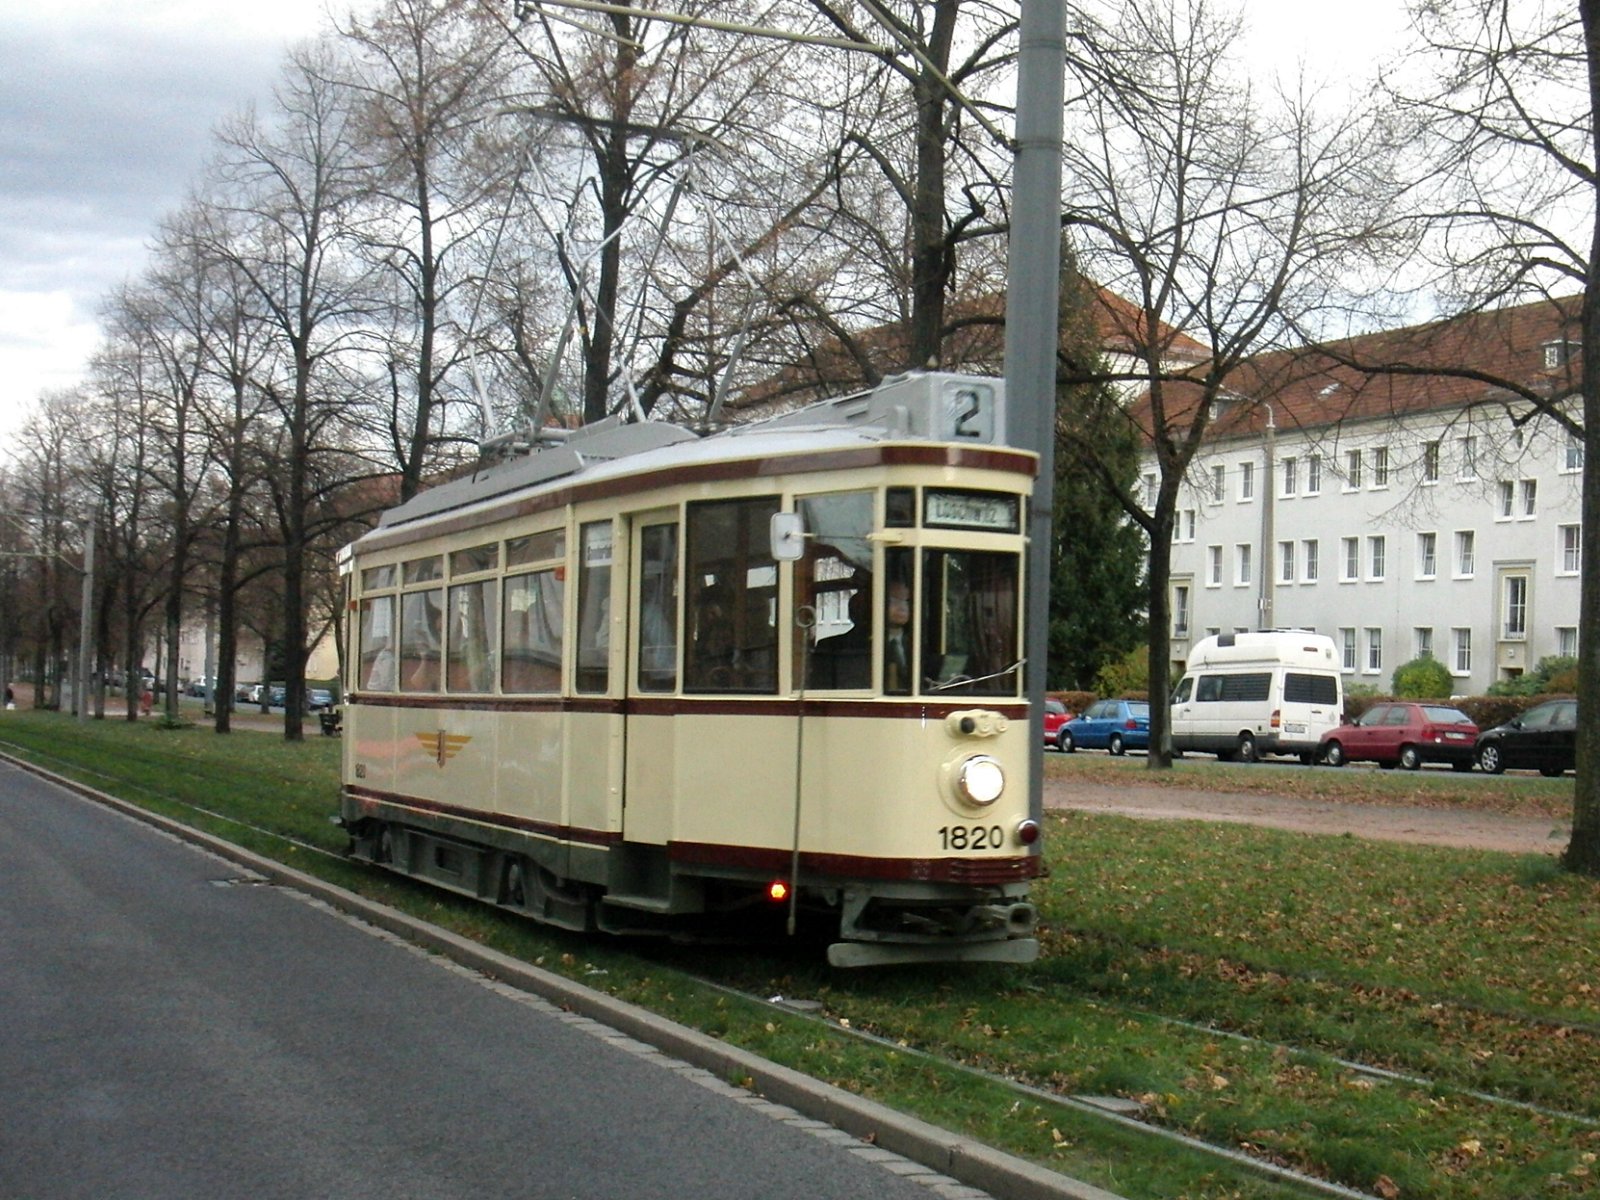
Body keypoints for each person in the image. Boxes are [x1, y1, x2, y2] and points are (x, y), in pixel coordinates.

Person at [883, 580, 911, 694]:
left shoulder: (920, 645)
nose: (902, 607)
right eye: (894, 601)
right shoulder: (857, 645)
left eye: (906, 602)